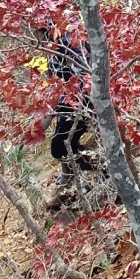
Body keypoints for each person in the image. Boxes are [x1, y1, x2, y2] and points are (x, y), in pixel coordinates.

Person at [47, 30, 96, 187]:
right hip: (69, 99)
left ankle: (104, 170)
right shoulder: (49, 41)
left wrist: (53, 111)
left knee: (59, 147)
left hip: (84, 99)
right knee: (63, 140)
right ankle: (69, 174)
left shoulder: (66, 37)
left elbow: (84, 75)